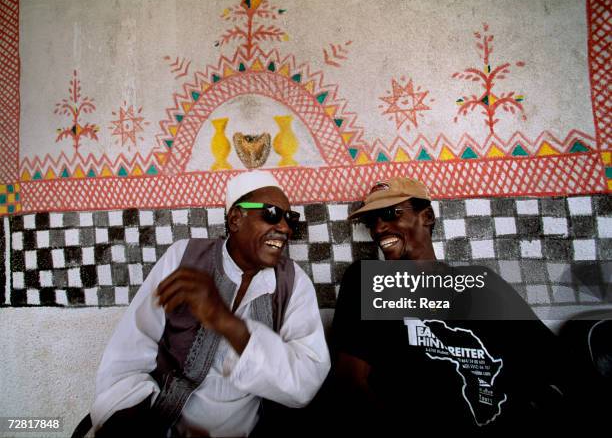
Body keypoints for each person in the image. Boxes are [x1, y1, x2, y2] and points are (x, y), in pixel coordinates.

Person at [90, 170, 330, 437]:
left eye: (290, 217)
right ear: (236, 218)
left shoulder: (293, 281)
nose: (285, 227)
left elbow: (306, 380)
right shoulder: (184, 257)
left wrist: (227, 323)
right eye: (272, 213)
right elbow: (129, 356)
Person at [329, 177, 568, 434]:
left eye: (389, 213)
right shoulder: (369, 281)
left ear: (427, 216)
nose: (378, 229)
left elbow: (551, 362)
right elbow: (350, 382)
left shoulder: (481, 283)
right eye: (371, 221)